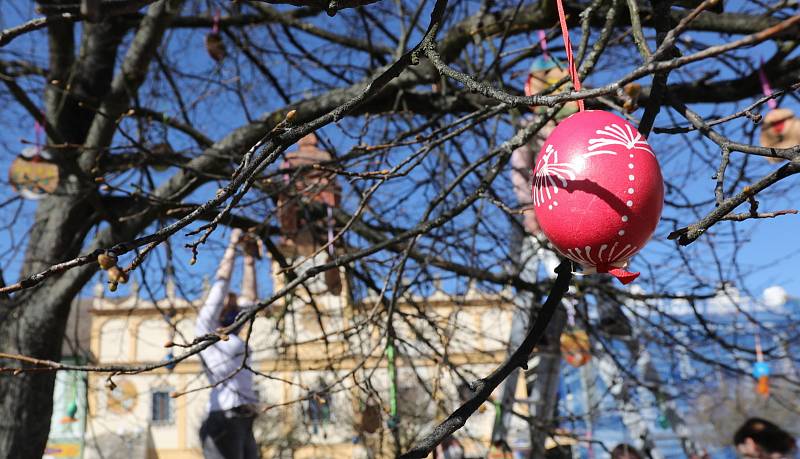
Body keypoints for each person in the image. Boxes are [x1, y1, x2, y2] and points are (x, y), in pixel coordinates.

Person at [197, 228, 261, 459]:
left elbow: (251, 300)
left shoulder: (235, 335)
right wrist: (233, 246)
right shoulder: (206, 332)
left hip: (244, 418)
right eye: (229, 305)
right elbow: (221, 284)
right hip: (222, 418)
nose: (234, 308)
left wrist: (250, 258)